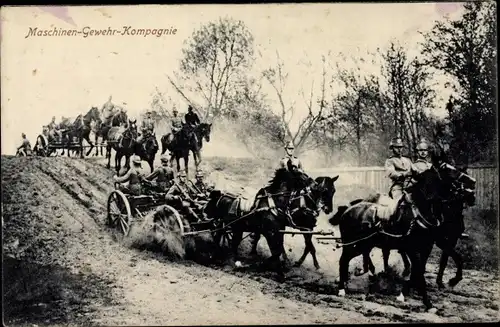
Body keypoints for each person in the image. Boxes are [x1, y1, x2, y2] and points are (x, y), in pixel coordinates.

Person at [384, 137, 413, 201]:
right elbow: (391, 173)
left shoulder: (407, 160)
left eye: (400, 147)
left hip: (410, 185)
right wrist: (403, 174)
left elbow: (415, 169)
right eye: (397, 147)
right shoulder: (390, 161)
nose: (399, 149)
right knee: (399, 201)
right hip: (398, 186)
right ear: (392, 148)